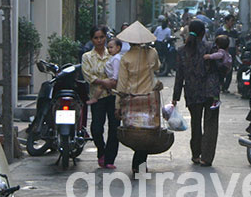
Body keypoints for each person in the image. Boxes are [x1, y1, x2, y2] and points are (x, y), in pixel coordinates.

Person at [172, 20, 224, 166]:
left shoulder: (182, 51)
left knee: (196, 123)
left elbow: (179, 75)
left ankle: (196, 154)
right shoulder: (210, 47)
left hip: (192, 91)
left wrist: (175, 97)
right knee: (211, 124)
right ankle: (206, 157)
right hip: (210, 91)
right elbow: (220, 67)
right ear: (204, 32)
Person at [116, 22, 161, 175]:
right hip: (149, 99)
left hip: (131, 100)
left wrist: (118, 105)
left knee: (135, 131)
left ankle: (138, 164)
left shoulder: (126, 58)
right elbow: (157, 67)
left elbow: (121, 84)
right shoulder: (152, 52)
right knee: (147, 131)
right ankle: (140, 164)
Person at [81, 27, 118, 169]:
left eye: (102, 37)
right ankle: (101, 151)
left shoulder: (113, 55)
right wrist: (104, 82)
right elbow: (88, 75)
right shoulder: (87, 57)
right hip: (97, 96)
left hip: (113, 95)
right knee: (97, 128)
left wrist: (112, 83)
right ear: (92, 39)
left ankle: (109, 159)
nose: (99, 40)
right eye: (96, 38)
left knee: (114, 128)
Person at [203, 35, 232, 109]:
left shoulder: (221, 52)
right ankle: (216, 100)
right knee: (218, 85)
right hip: (226, 69)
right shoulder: (226, 52)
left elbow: (218, 55)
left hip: (223, 70)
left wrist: (209, 56)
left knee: (216, 87)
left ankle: (216, 101)